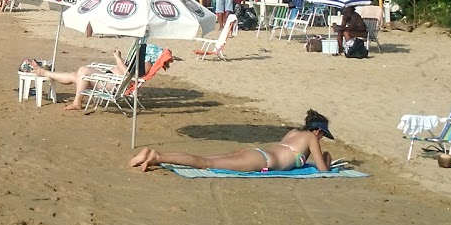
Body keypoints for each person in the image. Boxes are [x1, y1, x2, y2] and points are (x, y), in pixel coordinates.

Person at [126, 110, 335, 173]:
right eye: (322, 135)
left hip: (257, 153)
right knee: (205, 163)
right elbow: (323, 169)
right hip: (262, 161)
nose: (322, 138)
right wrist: (327, 157)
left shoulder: (293, 132)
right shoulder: (310, 137)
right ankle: (157, 156)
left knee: (206, 159)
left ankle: (153, 155)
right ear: (317, 130)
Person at [25, 49, 135, 111]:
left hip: (114, 84)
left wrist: (118, 58)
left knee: (83, 70)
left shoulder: (140, 66)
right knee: (74, 75)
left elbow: (128, 77)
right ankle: (43, 72)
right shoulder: (138, 61)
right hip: (109, 79)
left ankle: (77, 102)